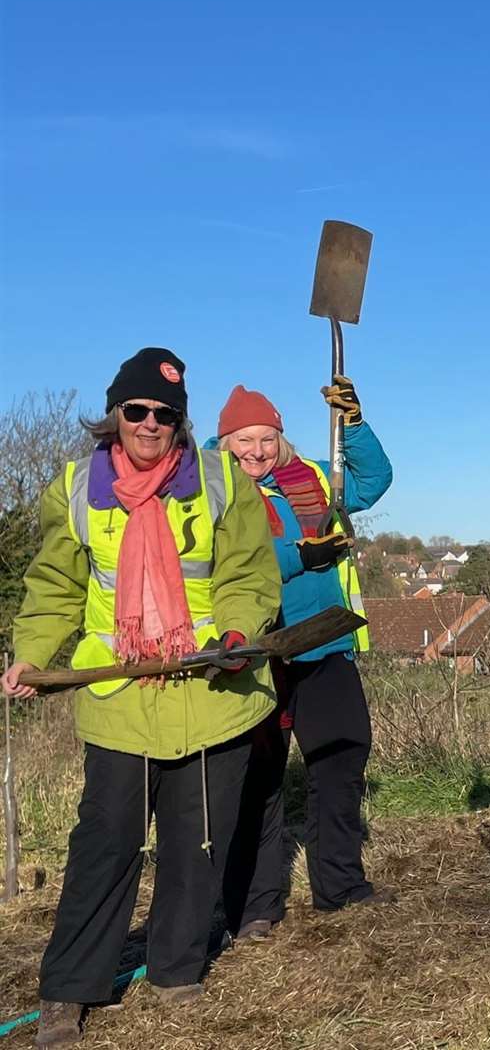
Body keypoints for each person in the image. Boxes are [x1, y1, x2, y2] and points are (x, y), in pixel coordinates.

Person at [1, 348, 279, 1047]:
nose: (151, 424)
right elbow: (55, 586)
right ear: (115, 416)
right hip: (118, 692)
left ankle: (177, 968)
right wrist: (31, 652)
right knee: (106, 838)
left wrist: (242, 630)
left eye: (166, 414)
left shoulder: (221, 481)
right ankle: (69, 990)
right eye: (138, 411)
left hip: (215, 688)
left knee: (198, 839)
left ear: (181, 423)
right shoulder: (74, 488)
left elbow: (248, 570)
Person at [213, 377, 393, 941]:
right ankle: (256, 905)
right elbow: (228, 561)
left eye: (266, 438)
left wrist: (354, 426)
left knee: (341, 756)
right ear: (225, 445)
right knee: (257, 776)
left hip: (324, 642)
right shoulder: (213, 492)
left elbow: (373, 481)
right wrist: (299, 555)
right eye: (244, 440)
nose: (256, 451)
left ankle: (339, 885)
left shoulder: (314, 476)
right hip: (258, 650)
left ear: (280, 439)